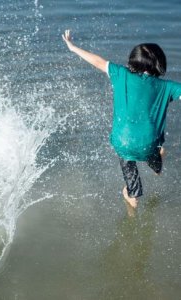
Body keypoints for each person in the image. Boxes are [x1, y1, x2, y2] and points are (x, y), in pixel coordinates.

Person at [62, 30, 181, 216]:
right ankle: (157, 162)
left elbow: (97, 61)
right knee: (155, 162)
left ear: (133, 61)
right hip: (149, 144)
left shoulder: (120, 74)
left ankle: (131, 205)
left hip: (122, 142)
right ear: (159, 64)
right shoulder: (167, 87)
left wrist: (73, 47)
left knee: (132, 189)